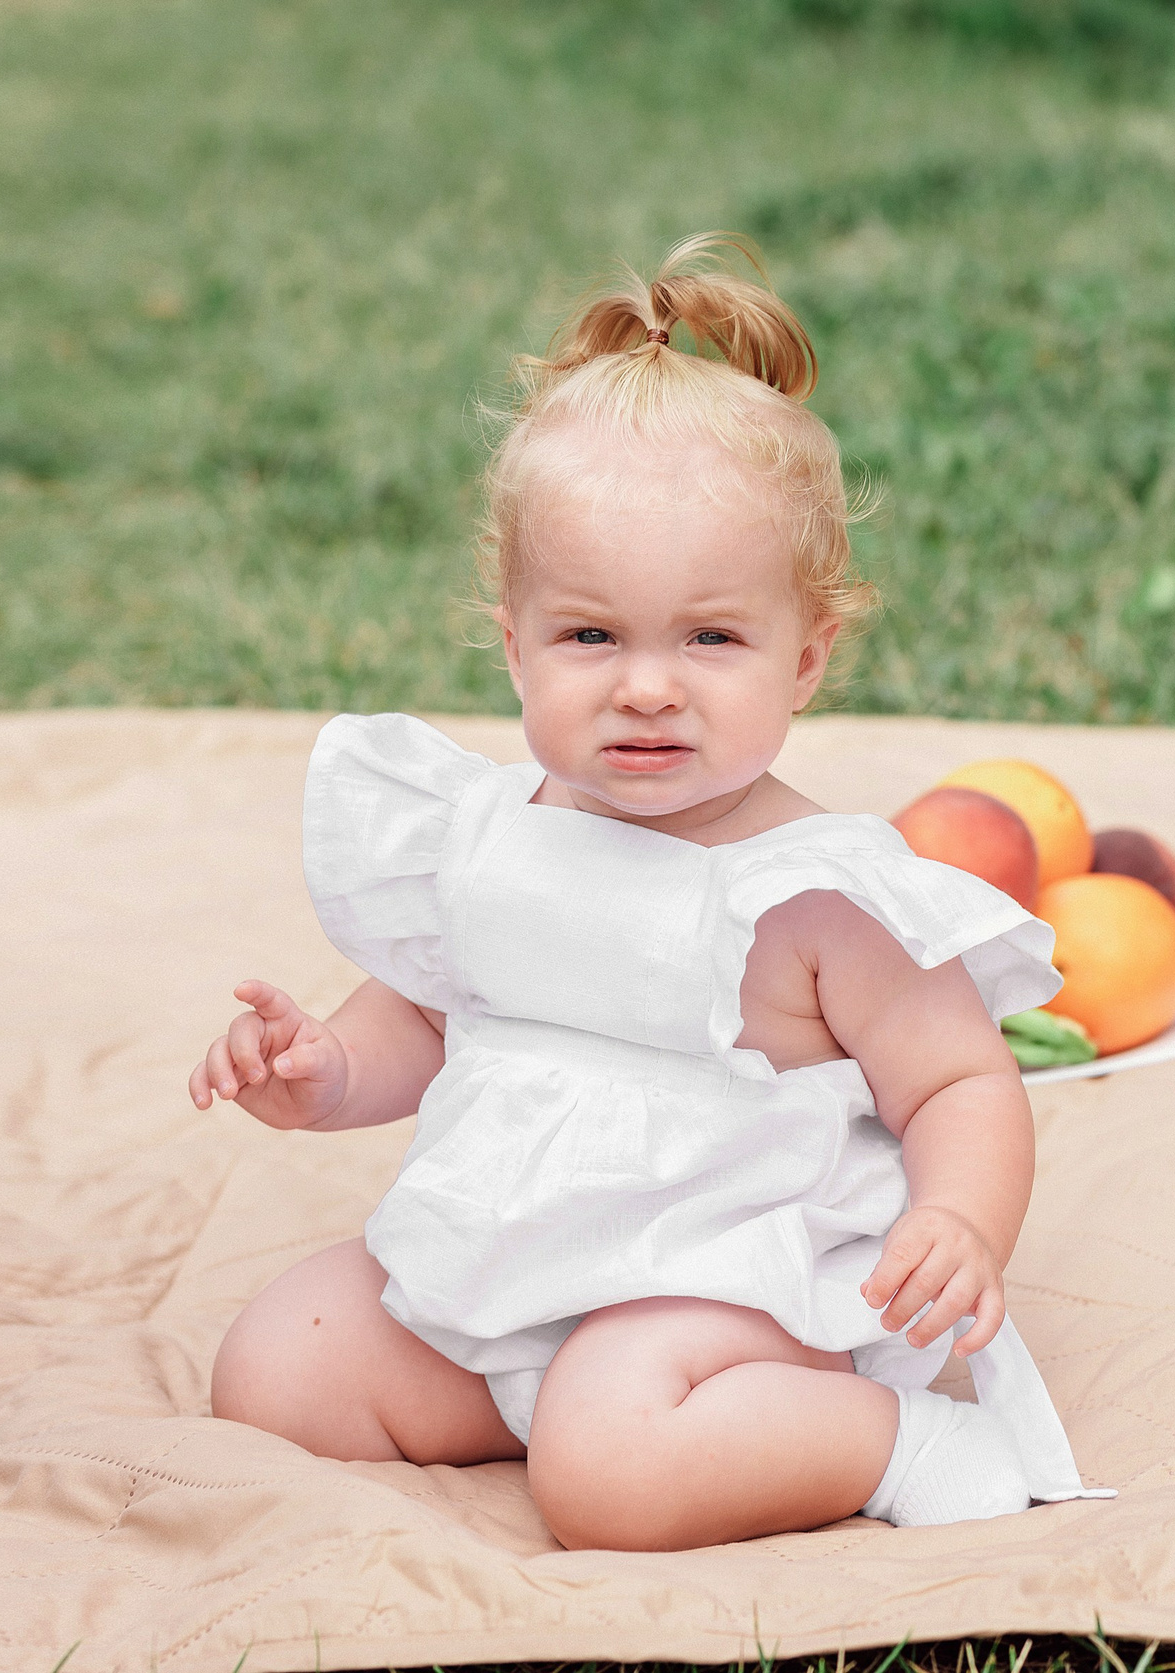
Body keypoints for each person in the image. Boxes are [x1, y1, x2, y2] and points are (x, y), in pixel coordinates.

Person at [189, 234, 1108, 1552]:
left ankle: (886, 1436)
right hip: (516, 1252)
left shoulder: (816, 896)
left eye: (712, 638)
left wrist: (960, 1219)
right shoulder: (488, 834)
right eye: (591, 636)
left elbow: (960, 1080)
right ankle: (555, 1396)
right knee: (274, 1369)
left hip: (723, 1274)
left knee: (606, 1476)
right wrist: (324, 1070)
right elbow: (434, 1017)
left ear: (807, 657)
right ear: (514, 649)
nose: (647, 685)